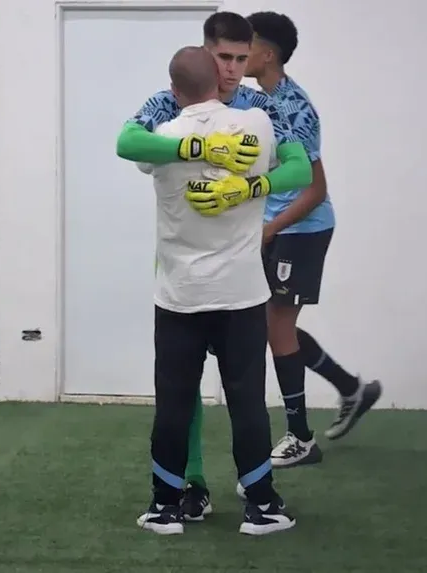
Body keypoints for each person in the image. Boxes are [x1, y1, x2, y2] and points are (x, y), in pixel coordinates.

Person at [116, 11, 311, 523]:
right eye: (223, 58)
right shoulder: (170, 103)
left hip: (221, 274)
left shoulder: (259, 108)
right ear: (207, 55)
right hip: (188, 275)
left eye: (241, 59)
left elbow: (300, 169)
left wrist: (250, 186)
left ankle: (207, 494)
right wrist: (197, 146)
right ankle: (194, 486)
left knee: (212, 393)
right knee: (191, 395)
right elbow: (127, 141)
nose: (231, 69)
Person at [243, 11, 383, 470]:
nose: (239, 55)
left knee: (276, 327)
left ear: (267, 54)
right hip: (276, 226)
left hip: (303, 228)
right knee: (273, 326)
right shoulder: (257, 100)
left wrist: (270, 229)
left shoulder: (295, 107)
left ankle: (301, 437)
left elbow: (315, 189)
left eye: (247, 46)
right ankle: (350, 389)